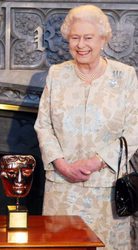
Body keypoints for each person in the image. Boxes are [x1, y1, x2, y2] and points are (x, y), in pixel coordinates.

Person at [34, 4, 138, 250]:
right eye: (75, 38)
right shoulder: (57, 74)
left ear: (103, 39)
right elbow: (43, 125)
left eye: (88, 38)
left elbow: (135, 128)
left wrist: (97, 161)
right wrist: (61, 164)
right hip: (61, 188)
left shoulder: (125, 76)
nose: (81, 45)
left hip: (107, 190)